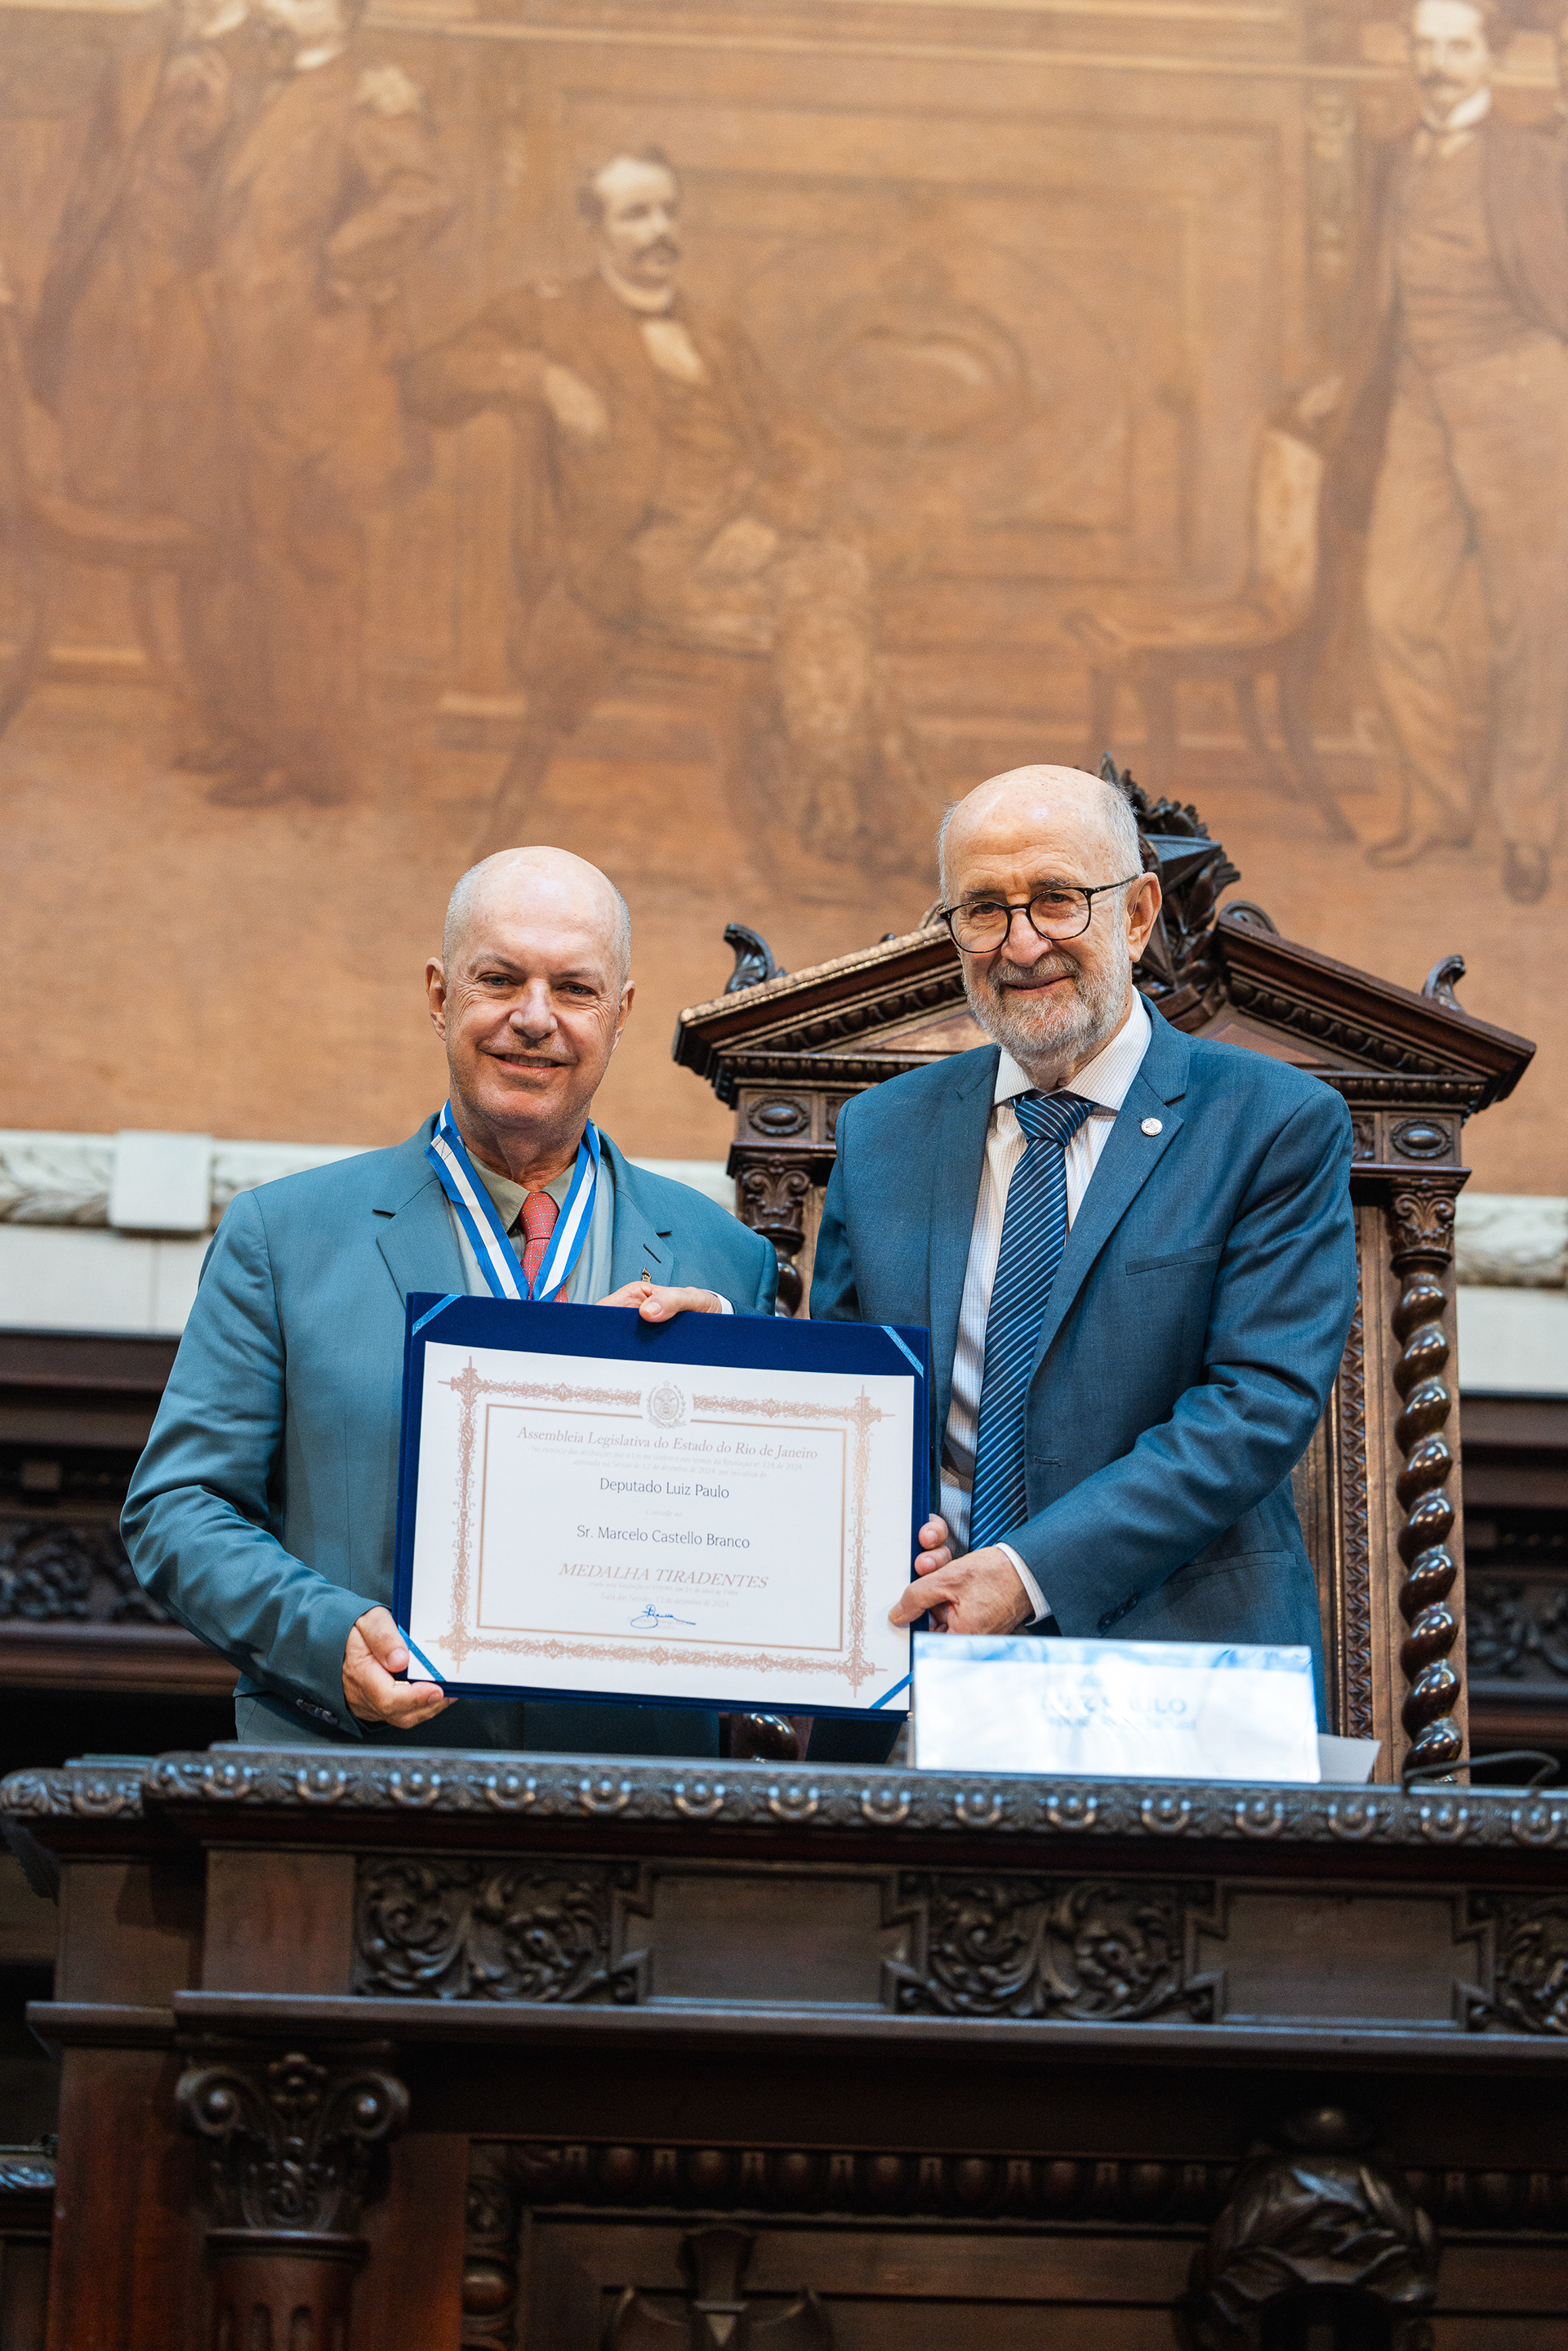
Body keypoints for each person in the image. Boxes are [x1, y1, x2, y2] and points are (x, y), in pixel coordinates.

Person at [122, 848, 777, 1750]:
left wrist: (740, 1413)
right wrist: (328, 1637)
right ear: (439, 995)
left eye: (575, 989)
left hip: (636, 1786)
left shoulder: (725, 1262)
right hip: (357, 1776)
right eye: (499, 979)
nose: (534, 1018)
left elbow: (767, 1549)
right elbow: (178, 1506)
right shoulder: (283, 1237)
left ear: (621, 1013)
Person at [808, 764, 1357, 1763]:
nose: (1021, 944)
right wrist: (715, 1350)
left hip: (1181, 1679)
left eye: (1058, 898)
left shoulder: (1274, 1123)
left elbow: (1257, 1405)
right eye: (983, 908)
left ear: (1137, 912)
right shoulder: (882, 1133)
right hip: (918, 1670)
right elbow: (844, 1394)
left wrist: (1023, 1572)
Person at [403, 147, 924, 865]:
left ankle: (841, 809)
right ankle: (842, 813)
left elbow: (803, 445)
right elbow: (428, 381)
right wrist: (540, 375)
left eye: (668, 212)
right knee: (833, 591)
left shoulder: (714, 331)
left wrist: (768, 518)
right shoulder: (551, 316)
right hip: (631, 557)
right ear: (596, 230)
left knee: (833, 584)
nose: (658, 231)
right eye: (635, 215)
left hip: (740, 540)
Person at [1324, 0, 1568, 905]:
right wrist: (1345, 382)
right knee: (1395, 608)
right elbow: (1371, 291)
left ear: (1491, 56)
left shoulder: (1538, 156)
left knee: (1531, 622)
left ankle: (1528, 828)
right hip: (1418, 402)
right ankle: (1441, 805)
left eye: (1457, 46)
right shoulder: (1393, 154)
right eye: (1425, 46)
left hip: (1521, 396)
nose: (1438, 63)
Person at [202, 0, 454, 806]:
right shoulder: (274, 85)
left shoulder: (365, 96)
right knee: (261, 550)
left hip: (317, 366)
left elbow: (420, 197)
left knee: (311, 557)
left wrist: (336, 266)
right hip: (256, 358)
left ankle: (316, 758)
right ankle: (262, 736)